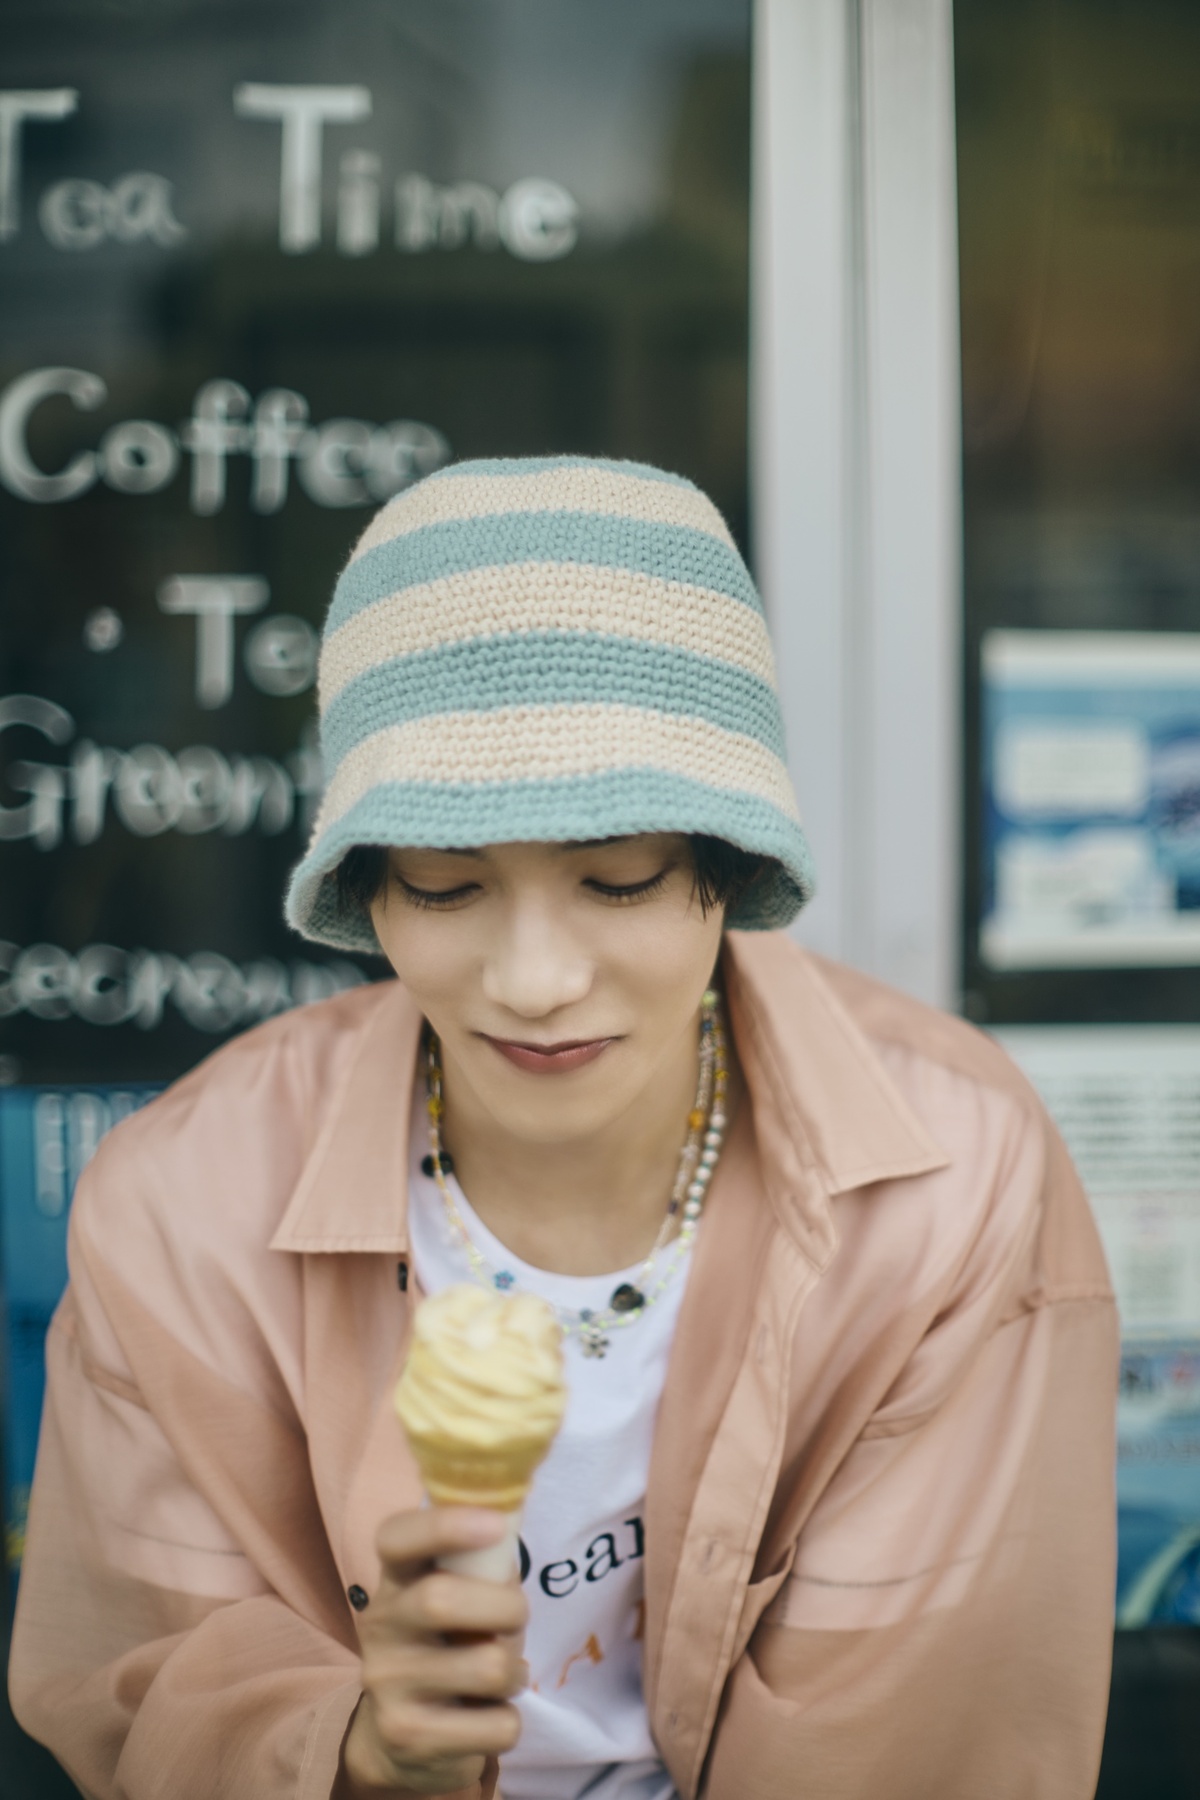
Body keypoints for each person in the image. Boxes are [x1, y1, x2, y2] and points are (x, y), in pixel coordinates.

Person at [9, 457, 1117, 1800]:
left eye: (619, 878)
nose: (533, 978)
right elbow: (136, 1693)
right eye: (445, 883)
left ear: (732, 871)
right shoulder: (186, 1202)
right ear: (367, 893)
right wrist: (357, 1756)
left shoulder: (954, 1180)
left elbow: (927, 1740)